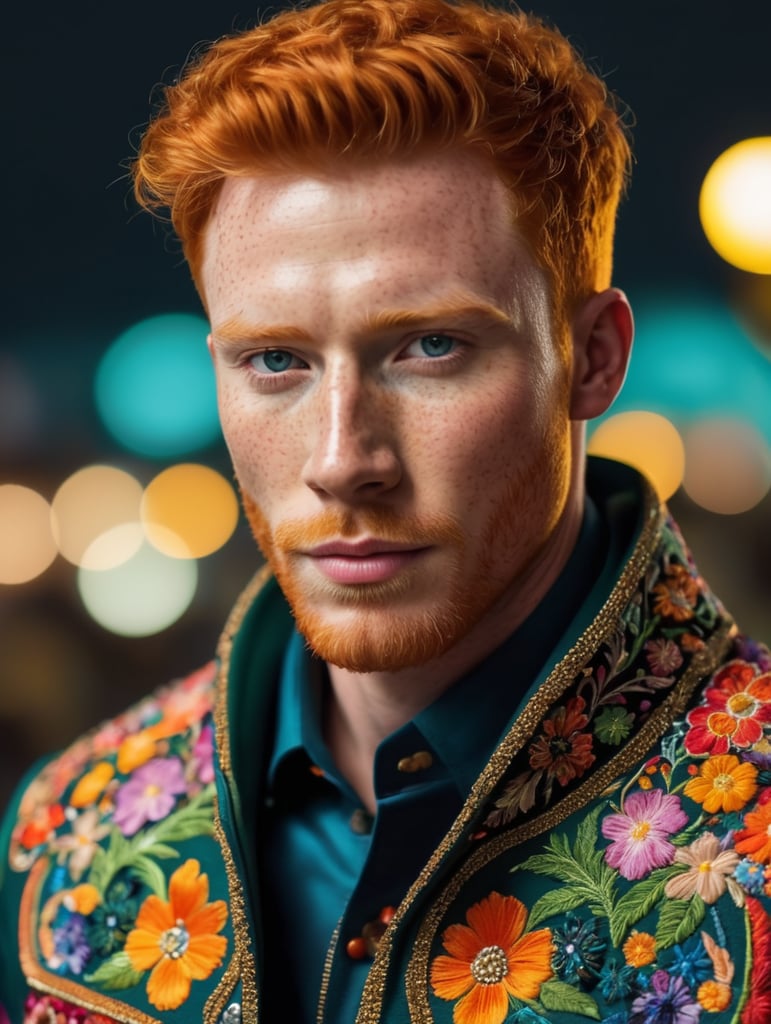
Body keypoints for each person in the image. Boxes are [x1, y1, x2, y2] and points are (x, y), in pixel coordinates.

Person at [1, 0, 769, 1020]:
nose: (340, 461)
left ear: (593, 358)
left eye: (430, 348)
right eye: (275, 360)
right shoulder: (62, 840)